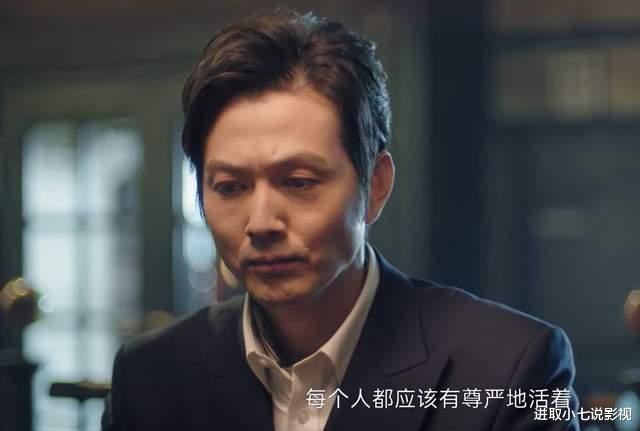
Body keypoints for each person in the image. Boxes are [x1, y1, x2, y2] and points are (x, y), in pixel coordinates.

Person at [102, 9, 580, 431]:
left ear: (376, 185)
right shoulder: (151, 375)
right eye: (230, 187)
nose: (261, 223)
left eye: (299, 182)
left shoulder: (508, 368)